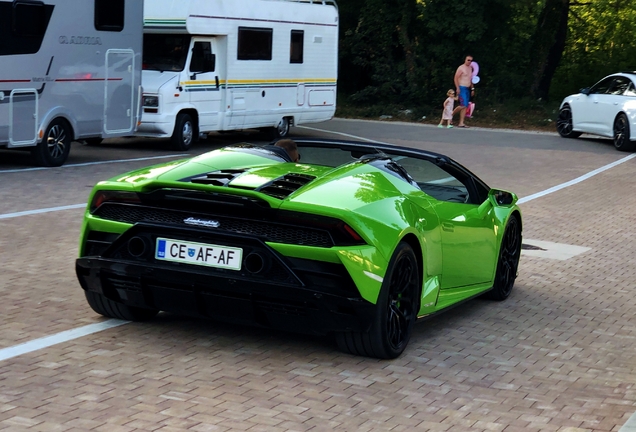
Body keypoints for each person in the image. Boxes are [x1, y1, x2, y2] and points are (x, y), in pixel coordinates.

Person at [453, 55, 476, 128]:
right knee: (463, 105)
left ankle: (461, 122)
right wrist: (457, 88)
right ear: (465, 60)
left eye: (470, 60)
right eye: (468, 60)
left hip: (467, 88)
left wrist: (472, 88)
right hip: (462, 87)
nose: (469, 62)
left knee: (465, 106)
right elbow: (456, 78)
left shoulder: (470, 68)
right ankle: (450, 115)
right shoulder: (461, 68)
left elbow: (471, 79)